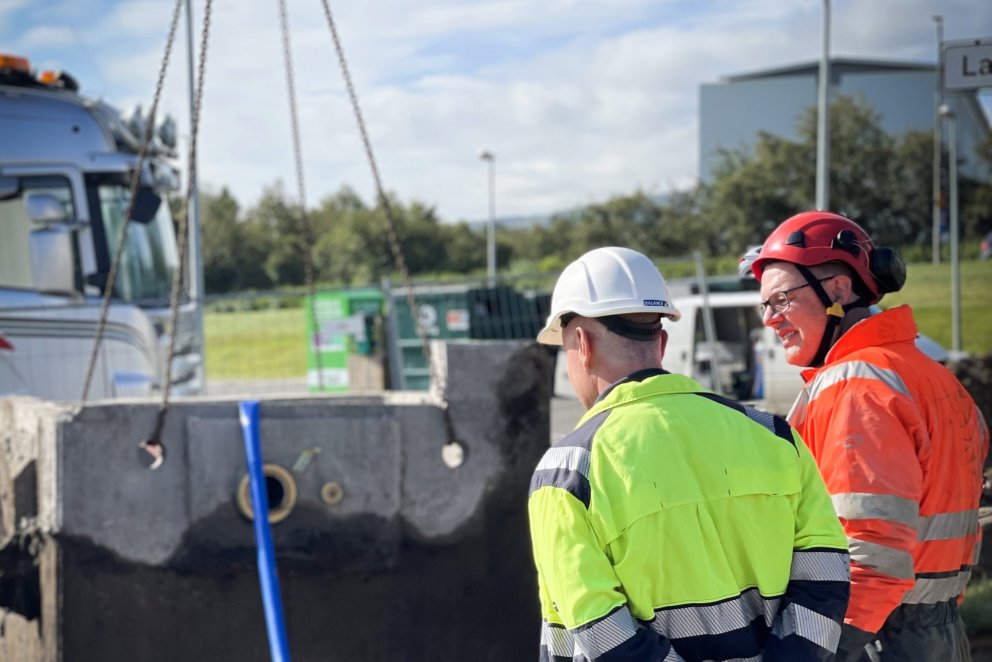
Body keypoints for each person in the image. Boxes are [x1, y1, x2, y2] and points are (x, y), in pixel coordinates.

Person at [528, 246, 850, 662]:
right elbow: (826, 576)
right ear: (661, 341)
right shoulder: (774, 436)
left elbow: (600, 630)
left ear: (581, 343)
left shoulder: (568, 474)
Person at [749, 211, 990, 661]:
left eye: (780, 300)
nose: (769, 319)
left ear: (838, 290)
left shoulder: (857, 385)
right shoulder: (935, 379)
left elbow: (869, 553)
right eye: (764, 305)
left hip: (874, 635)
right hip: (934, 628)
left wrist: (817, 649)